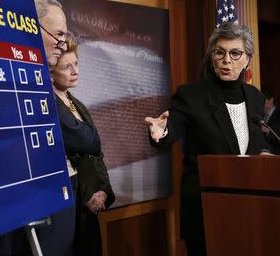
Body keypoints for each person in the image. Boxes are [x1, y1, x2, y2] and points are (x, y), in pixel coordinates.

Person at [144, 22, 270, 256]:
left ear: (248, 59)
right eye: (219, 52)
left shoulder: (255, 98)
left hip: (249, 206)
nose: (227, 60)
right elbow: (173, 127)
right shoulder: (191, 95)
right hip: (205, 208)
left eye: (235, 53)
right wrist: (161, 131)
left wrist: (265, 154)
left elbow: (255, 143)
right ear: (212, 56)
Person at [0, 0, 71, 256]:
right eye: (58, 34)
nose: (63, 43)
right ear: (31, 27)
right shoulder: (1, 76)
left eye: (65, 35)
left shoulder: (47, 84)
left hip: (50, 208)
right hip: (13, 213)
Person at [51, 39, 115, 256]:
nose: (75, 71)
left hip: (92, 208)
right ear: (50, 73)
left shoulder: (77, 103)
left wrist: (103, 191)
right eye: (67, 67)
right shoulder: (49, 106)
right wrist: (87, 196)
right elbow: (62, 158)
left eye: (76, 64)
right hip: (71, 205)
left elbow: (96, 152)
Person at [261, 88, 280, 154]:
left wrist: (268, 130)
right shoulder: (260, 116)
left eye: (262, 100)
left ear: (271, 100)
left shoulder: (278, 114)